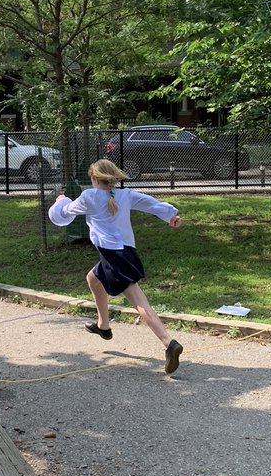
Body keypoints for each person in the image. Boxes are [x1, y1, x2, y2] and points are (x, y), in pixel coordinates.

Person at [48, 159, 184, 374]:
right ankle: (103, 326)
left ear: (94, 179)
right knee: (93, 279)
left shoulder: (89, 197)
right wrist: (171, 216)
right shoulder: (125, 195)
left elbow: (65, 213)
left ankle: (169, 343)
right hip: (125, 252)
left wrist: (61, 201)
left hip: (113, 256)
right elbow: (151, 204)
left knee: (139, 301)